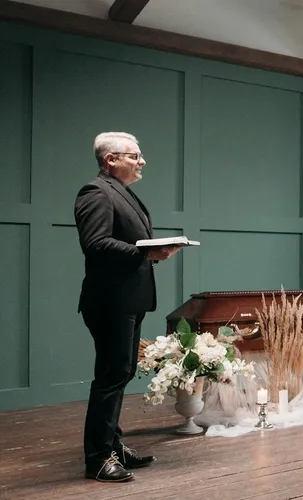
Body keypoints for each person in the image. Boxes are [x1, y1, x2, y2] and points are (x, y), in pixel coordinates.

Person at [75, 132, 180, 482]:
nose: (142, 161)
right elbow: (96, 244)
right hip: (110, 301)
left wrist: (150, 251)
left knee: (120, 373)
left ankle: (113, 445)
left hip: (128, 299)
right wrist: (147, 252)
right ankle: (99, 459)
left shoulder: (120, 192)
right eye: (134, 156)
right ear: (111, 160)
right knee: (110, 375)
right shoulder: (96, 192)